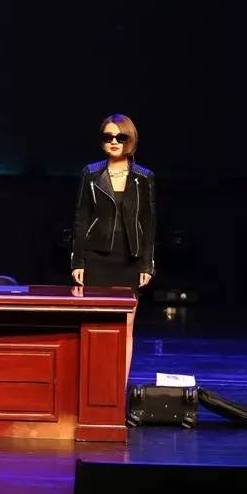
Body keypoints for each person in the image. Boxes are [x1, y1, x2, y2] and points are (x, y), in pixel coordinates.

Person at [71, 113, 156, 382]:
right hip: (96, 258)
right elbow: (81, 218)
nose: (114, 142)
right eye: (108, 137)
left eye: (121, 137)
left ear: (131, 139)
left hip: (130, 260)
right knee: (94, 325)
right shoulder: (91, 173)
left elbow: (148, 223)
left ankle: (119, 386)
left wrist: (147, 264)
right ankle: (94, 385)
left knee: (126, 325)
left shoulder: (143, 177)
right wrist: (77, 261)